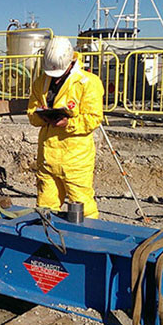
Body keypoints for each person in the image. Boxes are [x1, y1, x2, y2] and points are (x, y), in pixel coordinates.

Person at [27, 37, 104, 219]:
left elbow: (93, 119)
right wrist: (43, 116)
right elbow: (32, 114)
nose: (55, 76)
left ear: (70, 62)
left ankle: (87, 242)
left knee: (83, 207)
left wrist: (68, 123)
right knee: (45, 207)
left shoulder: (88, 83)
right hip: (48, 156)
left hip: (75, 159)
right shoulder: (40, 82)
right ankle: (47, 243)